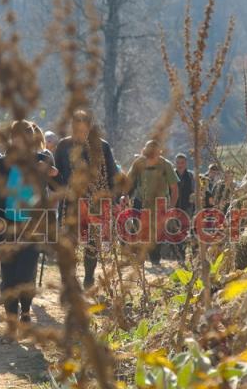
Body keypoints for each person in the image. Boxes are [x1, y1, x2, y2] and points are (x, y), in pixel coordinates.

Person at [0, 121, 55, 343]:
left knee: (24, 275)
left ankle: (26, 312)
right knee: (8, 277)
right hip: (8, 226)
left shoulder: (41, 161)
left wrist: (51, 174)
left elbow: (58, 188)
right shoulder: (2, 164)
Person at [53, 110, 117, 289]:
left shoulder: (102, 147)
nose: (80, 135)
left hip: (94, 203)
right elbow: (56, 176)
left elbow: (112, 175)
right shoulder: (63, 146)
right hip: (70, 203)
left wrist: (112, 198)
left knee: (92, 243)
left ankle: (89, 277)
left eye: (84, 130)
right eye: (77, 130)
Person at [126, 140, 179, 268]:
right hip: (140, 201)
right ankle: (140, 258)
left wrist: (171, 206)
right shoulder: (138, 163)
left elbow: (174, 188)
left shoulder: (166, 165)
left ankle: (155, 259)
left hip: (159, 204)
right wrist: (124, 195)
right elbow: (128, 182)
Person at [173, 153, 195, 260]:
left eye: (182, 163)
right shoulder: (171, 174)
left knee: (184, 231)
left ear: (186, 164)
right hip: (174, 208)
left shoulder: (190, 176)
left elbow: (194, 191)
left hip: (187, 208)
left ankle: (182, 254)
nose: (180, 165)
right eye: (178, 163)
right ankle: (177, 255)